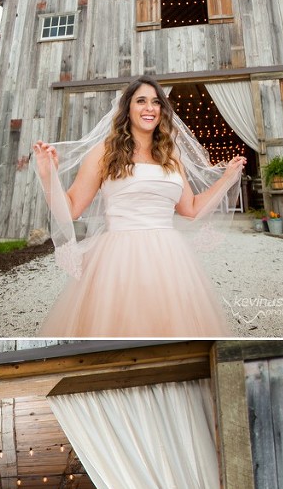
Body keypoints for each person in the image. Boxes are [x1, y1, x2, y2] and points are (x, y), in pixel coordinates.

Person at [33, 76, 246, 337]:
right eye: (141, 101)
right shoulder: (105, 152)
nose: (150, 108)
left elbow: (190, 209)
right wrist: (49, 177)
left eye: (156, 102)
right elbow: (72, 208)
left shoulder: (171, 156)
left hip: (169, 257)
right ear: (128, 108)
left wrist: (227, 178)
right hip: (118, 257)